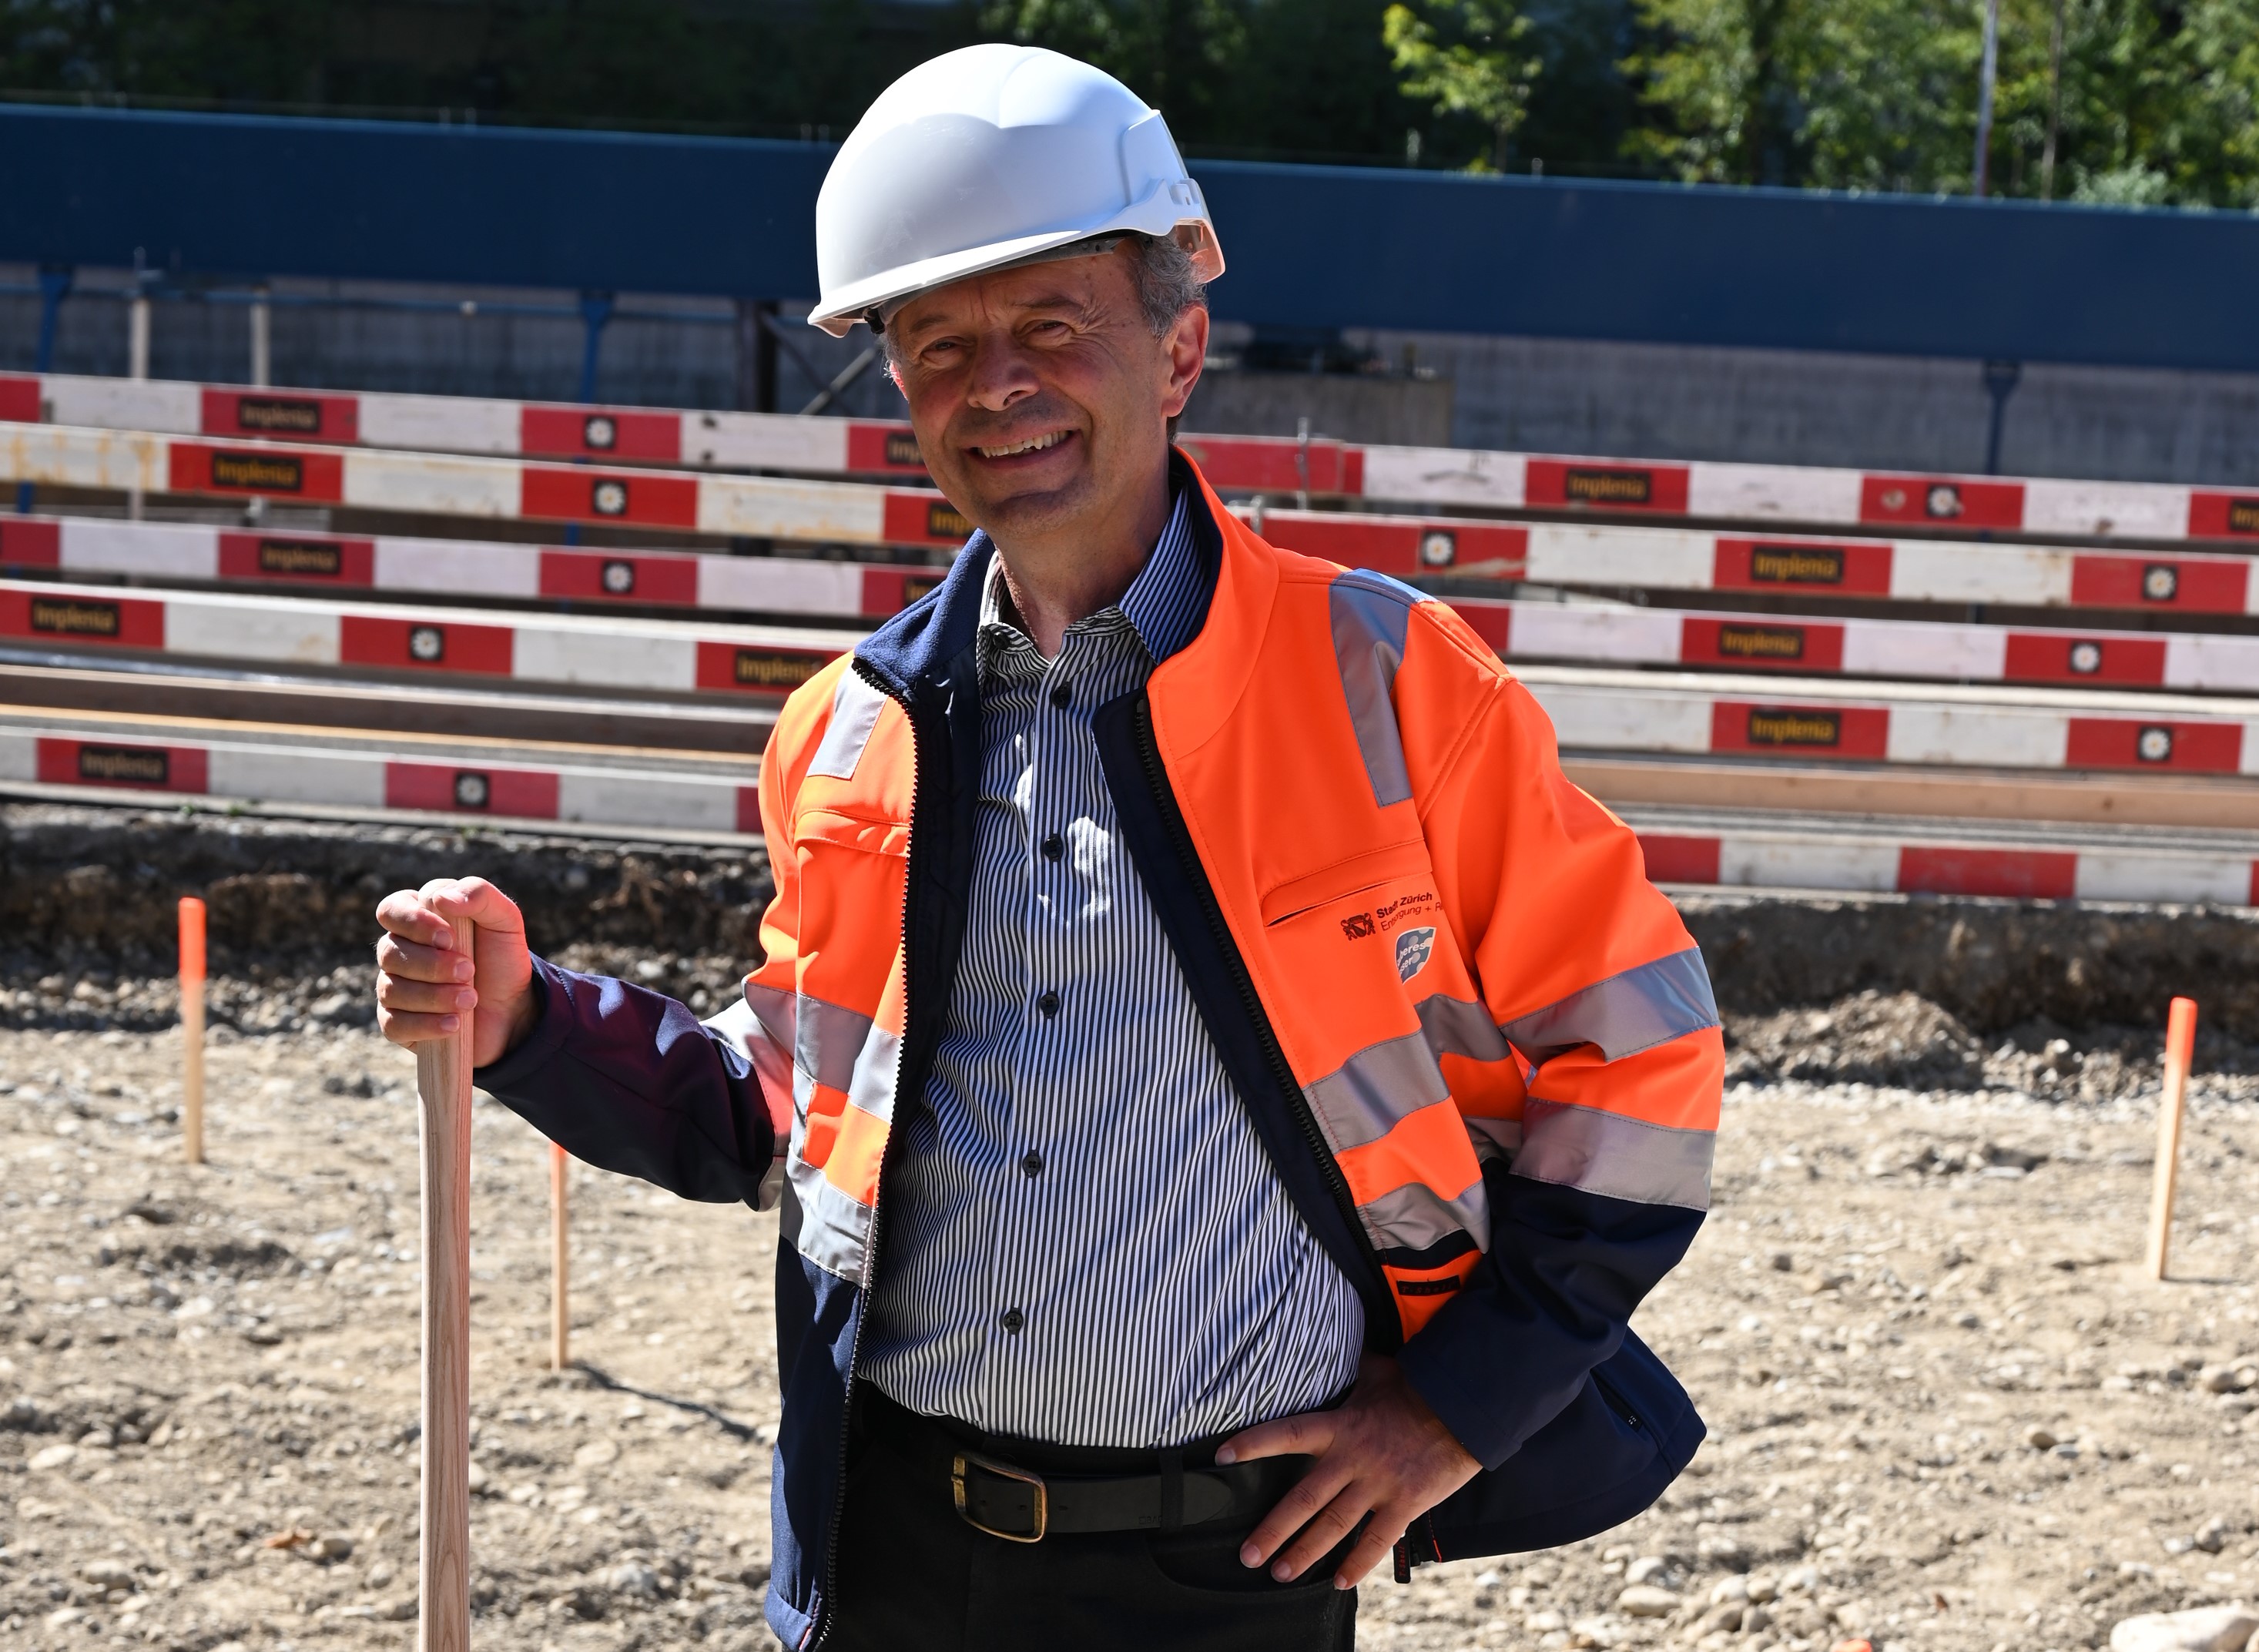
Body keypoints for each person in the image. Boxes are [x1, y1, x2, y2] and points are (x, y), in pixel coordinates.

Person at [373, 43, 1724, 1652]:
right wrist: (530, 1021)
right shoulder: (845, 729)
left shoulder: (1393, 682)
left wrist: (1457, 1406)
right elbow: (785, 1104)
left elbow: (1643, 1052)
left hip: (1232, 1563)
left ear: (1181, 348)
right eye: (939, 345)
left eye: (1053, 325)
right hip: (891, 1550)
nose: (996, 384)